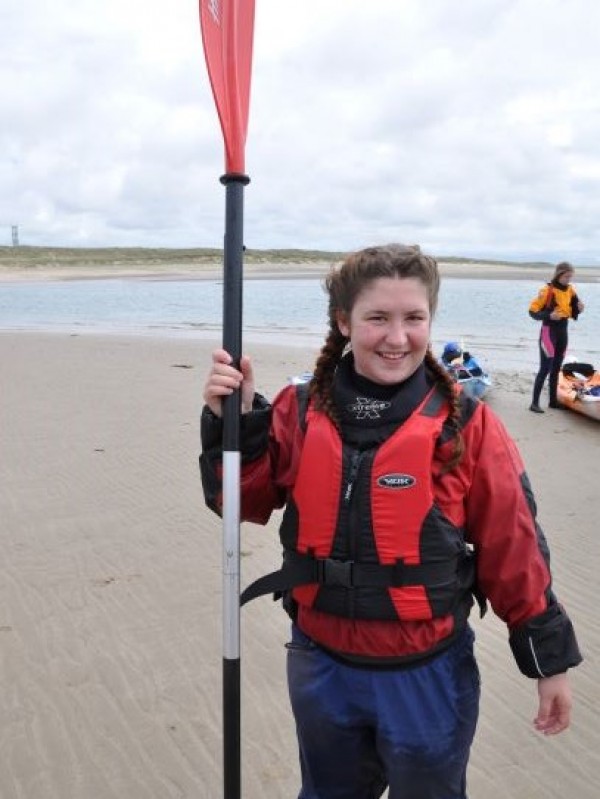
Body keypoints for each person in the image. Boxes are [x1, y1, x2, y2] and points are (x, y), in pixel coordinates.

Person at [200, 244, 582, 799]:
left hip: (426, 673)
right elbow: (239, 501)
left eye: (414, 318)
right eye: (377, 318)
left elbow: (514, 545)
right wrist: (230, 427)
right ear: (343, 321)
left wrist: (548, 661)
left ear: (431, 320)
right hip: (320, 664)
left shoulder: (465, 424)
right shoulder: (297, 408)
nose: (397, 337)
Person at [529, 261, 585, 413]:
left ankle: (553, 402)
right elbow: (533, 312)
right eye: (567, 276)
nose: (569, 279)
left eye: (570, 276)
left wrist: (580, 308)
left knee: (556, 369)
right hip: (549, 332)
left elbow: (574, 308)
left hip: (563, 332)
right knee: (545, 368)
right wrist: (549, 315)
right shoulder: (547, 290)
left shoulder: (570, 290)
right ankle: (534, 404)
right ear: (559, 274)